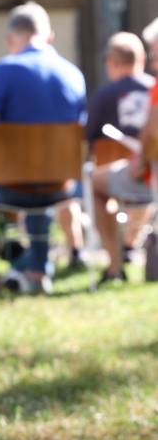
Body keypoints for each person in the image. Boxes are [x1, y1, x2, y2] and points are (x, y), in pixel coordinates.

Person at [0, 1, 87, 295]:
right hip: (60, 186)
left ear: (10, 38)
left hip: (7, 187)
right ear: (48, 36)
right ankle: (38, 269)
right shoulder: (73, 74)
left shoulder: (3, 70)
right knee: (43, 175)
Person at [87, 31, 156, 283]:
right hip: (144, 176)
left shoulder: (103, 96)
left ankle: (115, 264)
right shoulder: (153, 87)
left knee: (94, 181)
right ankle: (128, 243)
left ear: (112, 62)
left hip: (139, 173)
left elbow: (88, 139)